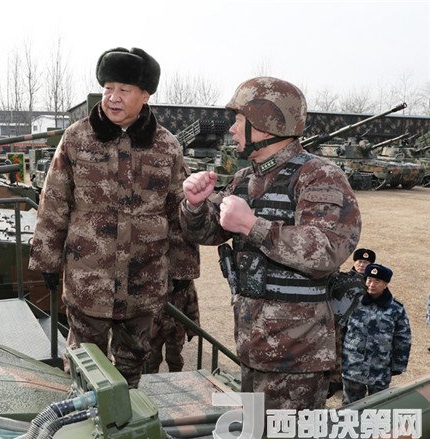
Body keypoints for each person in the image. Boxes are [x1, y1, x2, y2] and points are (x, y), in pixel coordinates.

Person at [179, 76, 361, 410]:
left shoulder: (319, 175)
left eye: (239, 120)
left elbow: (327, 250)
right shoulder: (246, 178)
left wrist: (253, 226)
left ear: (265, 125)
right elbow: (208, 232)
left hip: (297, 355)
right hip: (253, 343)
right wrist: (194, 205)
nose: (232, 129)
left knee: (288, 438)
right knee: (258, 433)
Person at [28, 47, 200, 388]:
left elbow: (177, 210)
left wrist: (183, 269)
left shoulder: (166, 146)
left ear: (145, 95)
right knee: (83, 367)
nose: (113, 97)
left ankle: (129, 417)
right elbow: (54, 201)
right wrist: (47, 258)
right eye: (108, 88)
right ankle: (81, 416)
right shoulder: (77, 138)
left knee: (134, 366)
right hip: (89, 279)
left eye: (124, 89)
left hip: (143, 282)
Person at [342, 264, 411, 404]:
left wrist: (398, 365)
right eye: (369, 280)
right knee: (349, 409)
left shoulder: (395, 309)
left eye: (377, 281)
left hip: (379, 369)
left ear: (385, 284)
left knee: (378, 408)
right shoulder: (353, 302)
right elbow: (341, 330)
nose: (371, 284)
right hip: (353, 366)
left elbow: (403, 338)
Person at [326, 247, 375, 397]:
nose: (362, 265)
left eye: (366, 262)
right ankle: (334, 381)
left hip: (359, 325)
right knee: (337, 350)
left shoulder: (372, 284)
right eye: (360, 261)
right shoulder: (344, 278)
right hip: (341, 322)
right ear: (354, 262)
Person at [147, 279, 199, 373]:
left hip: (176, 326)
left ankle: (176, 377)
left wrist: (193, 327)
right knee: (151, 359)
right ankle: (149, 380)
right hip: (155, 326)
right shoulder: (153, 273)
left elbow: (191, 300)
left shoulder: (184, 278)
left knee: (175, 359)